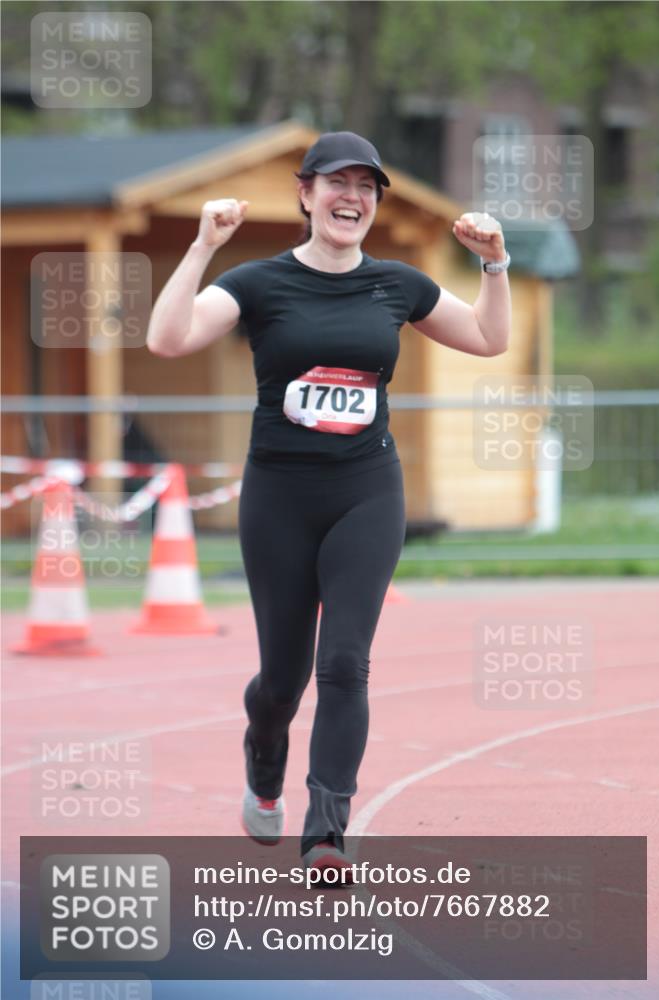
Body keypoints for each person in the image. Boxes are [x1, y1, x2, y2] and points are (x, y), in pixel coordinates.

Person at [147, 131, 511, 883]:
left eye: (366, 188)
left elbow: (486, 337)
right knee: (283, 678)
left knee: (344, 661)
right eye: (336, 184)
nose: (352, 198)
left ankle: (326, 831)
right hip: (278, 496)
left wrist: (495, 265)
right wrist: (201, 245)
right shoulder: (256, 283)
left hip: (365, 490)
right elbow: (167, 338)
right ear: (305, 194)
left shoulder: (398, 285)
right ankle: (263, 753)